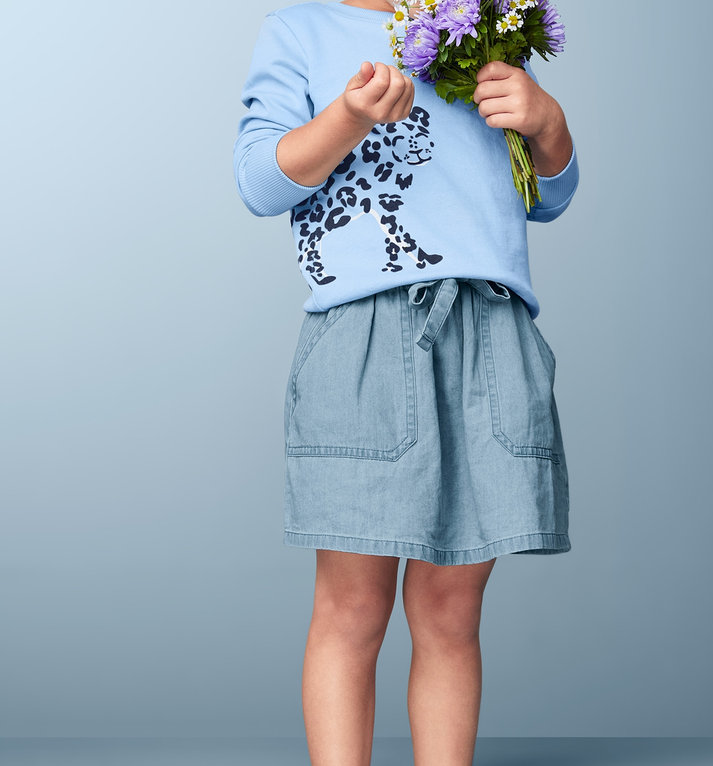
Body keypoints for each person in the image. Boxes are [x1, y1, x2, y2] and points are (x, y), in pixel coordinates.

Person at [233, 1, 579, 764]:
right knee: (353, 607)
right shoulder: (303, 29)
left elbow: (545, 196)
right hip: (365, 335)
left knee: (452, 611)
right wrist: (349, 118)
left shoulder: (480, 18)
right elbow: (261, 182)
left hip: (488, 328)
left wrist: (547, 126)